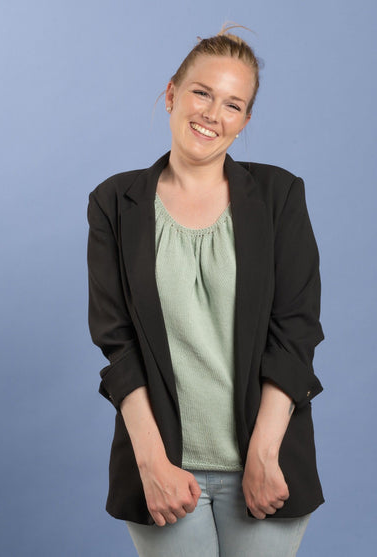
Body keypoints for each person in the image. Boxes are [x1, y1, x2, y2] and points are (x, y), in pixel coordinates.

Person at [87, 24, 324, 557]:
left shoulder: (280, 195)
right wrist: (152, 464)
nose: (213, 114)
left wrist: (264, 455)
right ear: (172, 94)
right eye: (202, 92)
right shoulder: (113, 203)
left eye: (233, 104)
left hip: (264, 465)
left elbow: (296, 333)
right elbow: (117, 344)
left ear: (244, 121)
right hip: (164, 471)